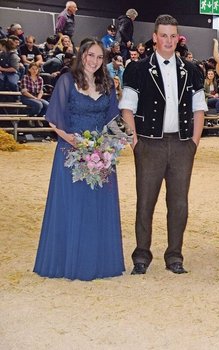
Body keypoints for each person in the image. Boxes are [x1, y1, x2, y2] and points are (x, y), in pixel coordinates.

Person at [119, 14, 207, 275]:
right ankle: (142, 256)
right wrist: (135, 141)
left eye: (172, 36)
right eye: (163, 35)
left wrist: (194, 143)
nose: (168, 40)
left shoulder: (192, 71)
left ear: (177, 38)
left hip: (182, 145)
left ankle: (174, 256)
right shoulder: (137, 69)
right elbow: (127, 109)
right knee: (145, 201)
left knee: (179, 203)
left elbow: (199, 109)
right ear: (155, 37)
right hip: (149, 144)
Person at [33, 38, 124, 281]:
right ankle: (70, 261)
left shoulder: (106, 84)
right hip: (70, 153)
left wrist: (116, 143)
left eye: (99, 57)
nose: (94, 61)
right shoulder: (67, 81)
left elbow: (112, 120)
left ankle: (98, 262)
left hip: (101, 155)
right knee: (73, 205)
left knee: (97, 206)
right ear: (81, 54)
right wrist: (73, 141)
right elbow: (53, 119)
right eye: (90, 55)